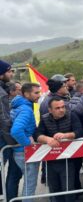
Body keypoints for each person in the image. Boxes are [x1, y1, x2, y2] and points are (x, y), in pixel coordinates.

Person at [36, 97, 83, 202]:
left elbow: (80, 131)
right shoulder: (44, 119)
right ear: (50, 110)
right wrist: (47, 139)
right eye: (57, 108)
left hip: (68, 159)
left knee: (68, 189)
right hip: (50, 160)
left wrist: (66, 135)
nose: (61, 110)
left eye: (63, 107)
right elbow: (38, 134)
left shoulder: (72, 115)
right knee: (54, 190)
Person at [10, 83, 41, 201]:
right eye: (36, 93)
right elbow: (16, 131)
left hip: (19, 151)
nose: (39, 95)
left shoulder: (19, 105)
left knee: (28, 182)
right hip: (24, 152)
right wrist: (28, 143)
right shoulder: (26, 109)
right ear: (27, 94)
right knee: (30, 184)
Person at [0, 60, 22, 200]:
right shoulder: (1, 93)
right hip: (2, 140)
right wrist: (13, 141)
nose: (11, 73)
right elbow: (4, 120)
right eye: (9, 71)